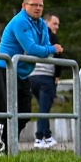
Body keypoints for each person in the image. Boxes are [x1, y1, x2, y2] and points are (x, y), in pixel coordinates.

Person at [0, 0, 61, 154]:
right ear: (24, 6)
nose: (38, 8)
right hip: (4, 68)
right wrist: (52, 49)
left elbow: (40, 47)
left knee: (25, 112)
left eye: (40, 5)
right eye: (34, 5)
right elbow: (33, 49)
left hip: (22, 72)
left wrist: (43, 49)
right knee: (4, 111)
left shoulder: (42, 24)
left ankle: (11, 141)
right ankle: (3, 149)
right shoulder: (20, 22)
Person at [27, 13, 61, 149]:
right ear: (46, 22)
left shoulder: (32, 35)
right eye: (54, 23)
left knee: (43, 107)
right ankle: (39, 137)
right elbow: (59, 56)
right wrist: (57, 75)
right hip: (46, 77)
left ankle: (47, 136)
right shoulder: (51, 36)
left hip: (31, 77)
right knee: (44, 109)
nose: (57, 27)